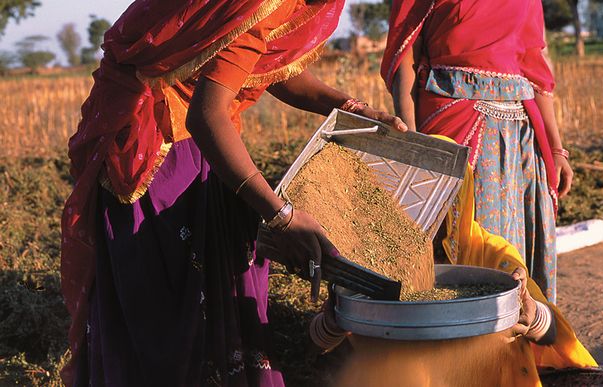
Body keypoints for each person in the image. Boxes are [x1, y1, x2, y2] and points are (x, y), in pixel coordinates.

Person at [60, 1, 408, 385]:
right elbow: (206, 116)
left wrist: (348, 107)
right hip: (159, 148)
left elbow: (262, 60)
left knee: (219, 281)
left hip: (200, 144)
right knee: (174, 316)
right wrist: (282, 216)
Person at [309, 165, 603, 387]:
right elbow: (318, 344)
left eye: (439, 203)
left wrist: (530, 313)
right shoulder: (370, 264)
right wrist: (334, 320)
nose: (424, 221)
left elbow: (553, 332)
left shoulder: (491, 256)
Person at [381, 0, 573, 303]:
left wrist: (557, 150)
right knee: (459, 244)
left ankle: (515, 336)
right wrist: (413, 143)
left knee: (512, 253)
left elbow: (533, 65)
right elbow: (405, 57)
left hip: (520, 137)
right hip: (457, 126)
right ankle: (460, 337)